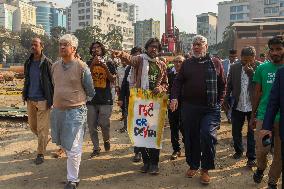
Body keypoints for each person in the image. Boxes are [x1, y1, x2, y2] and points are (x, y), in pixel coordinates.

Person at [170, 35, 226, 185]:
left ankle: (206, 169)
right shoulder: (187, 63)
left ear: (206, 47)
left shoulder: (215, 62)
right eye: (194, 44)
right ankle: (193, 165)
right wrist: (174, 97)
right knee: (190, 137)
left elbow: (222, 84)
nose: (196, 47)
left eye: (199, 44)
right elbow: (177, 82)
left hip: (210, 108)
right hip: (189, 108)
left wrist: (219, 102)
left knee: (207, 135)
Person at [112, 37, 168, 175]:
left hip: (155, 103)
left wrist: (160, 88)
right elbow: (130, 59)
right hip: (140, 102)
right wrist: (121, 54)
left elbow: (166, 83)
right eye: (151, 46)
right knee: (141, 133)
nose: (153, 49)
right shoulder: (140, 60)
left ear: (159, 50)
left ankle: (154, 163)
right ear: (146, 48)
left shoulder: (162, 65)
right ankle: (146, 162)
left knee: (154, 134)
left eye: (156, 47)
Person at [50, 34, 94, 189]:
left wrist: (77, 102)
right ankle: (72, 175)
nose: (62, 47)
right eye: (60, 44)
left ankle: (73, 180)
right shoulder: (54, 66)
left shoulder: (82, 67)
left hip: (76, 112)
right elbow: (55, 85)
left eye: (65, 44)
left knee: (74, 146)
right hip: (58, 111)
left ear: (73, 48)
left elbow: (90, 90)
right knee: (66, 145)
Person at [251, 36, 284, 189]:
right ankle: (260, 168)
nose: (275, 52)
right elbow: (257, 93)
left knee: (279, 154)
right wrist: (253, 115)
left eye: (279, 49)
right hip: (264, 117)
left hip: (281, 120)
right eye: (272, 49)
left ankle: (272, 181)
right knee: (262, 149)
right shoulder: (262, 68)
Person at [225, 46, 259, 167]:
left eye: (250, 60)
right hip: (238, 105)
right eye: (244, 60)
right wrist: (225, 100)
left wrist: (252, 74)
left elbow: (260, 86)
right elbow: (229, 85)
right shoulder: (234, 67)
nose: (247, 63)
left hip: (253, 107)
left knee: (251, 132)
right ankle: (238, 151)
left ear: (254, 58)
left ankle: (251, 157)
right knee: (236, 131)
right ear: (241, 58)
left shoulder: (260, 67)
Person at [22, 37, 53, 165]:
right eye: (32, 44)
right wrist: (24, 94)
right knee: (32, 126)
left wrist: (52, 99)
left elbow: (52, 82)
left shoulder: (47, 63)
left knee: (41, 128)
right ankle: (45, 138)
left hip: (43, 100)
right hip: (30, 99)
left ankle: (40, 154)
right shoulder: (28, 62)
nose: (33, 47)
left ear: (42, 46)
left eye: (35, 44)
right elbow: (27, 79)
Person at [87, 41, 117, 158]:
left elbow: (113, 79)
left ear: (102, 49)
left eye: (98, 47)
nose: (95, 49)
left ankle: (106, 140)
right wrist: (92, 65)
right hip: (91, 100)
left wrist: (104, 66)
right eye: (93, 47)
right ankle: (96, 148)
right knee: (91, 126)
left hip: (105, 99)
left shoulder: (109, 63)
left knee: (104, 124)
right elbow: (85, 79)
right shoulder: (88, 63)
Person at [118, 46, 143, 162]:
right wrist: (121, 99)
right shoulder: (128, 69)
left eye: (139, 55)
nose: (137, 58)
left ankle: (146, 152)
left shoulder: (147, 68)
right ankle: (137, 152)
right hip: (132, 102)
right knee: (135, 128)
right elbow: (124, 85)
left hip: (146, 103)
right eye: (134, 56)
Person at [167, 55, 185, 160]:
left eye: (180, 62)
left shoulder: (188, 75)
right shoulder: (169, 75)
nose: (178, 64)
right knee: (173, 128)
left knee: (185, 128)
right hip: (172, 106)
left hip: (185, 106)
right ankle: (176, 149)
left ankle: (187, 147)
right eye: (176, 62)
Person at [222, 49, 238, 123]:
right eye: (231, 57)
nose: (232, 58)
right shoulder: (223, 63)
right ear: (229, 56)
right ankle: (228, 114)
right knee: (225, 103)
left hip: (234, 88)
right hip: (225, 87)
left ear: (236, 56)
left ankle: (229, 117)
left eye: (234, 57)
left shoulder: (239, 64)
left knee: (233, 103)